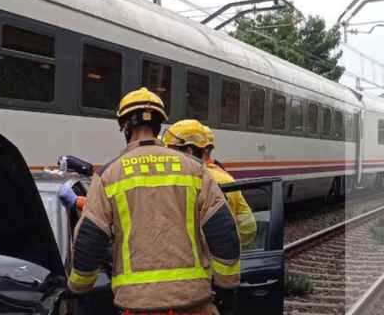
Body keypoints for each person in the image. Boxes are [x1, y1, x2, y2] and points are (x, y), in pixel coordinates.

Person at [65, 88, 241, 314]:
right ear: (159, 126)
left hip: (138, 307)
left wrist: (79, 286)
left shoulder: (110, 174)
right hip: (194, 304)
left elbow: (90, 237)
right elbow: (223, 229)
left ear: (125, 127)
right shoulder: (194, 169)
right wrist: (226, 285)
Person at [201, 125, 257, 248]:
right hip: (226, 255)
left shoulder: (191, 177)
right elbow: (248, 226)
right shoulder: (225, 177)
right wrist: (232, 246)